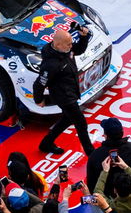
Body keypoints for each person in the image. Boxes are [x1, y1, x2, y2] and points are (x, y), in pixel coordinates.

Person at [34, 28, 93, 156]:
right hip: (64, 97)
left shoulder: (66, 49)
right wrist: (38, 100)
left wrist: (83, 37)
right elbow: (40, 83)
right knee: (81, 123)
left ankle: (46, 143)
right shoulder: (51, 64)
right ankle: (91, 153)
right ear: (58, 45)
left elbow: (78, 50)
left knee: (67, 119)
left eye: (71, 43)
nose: (71, 46)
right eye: (68, 44)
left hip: (71, 91)